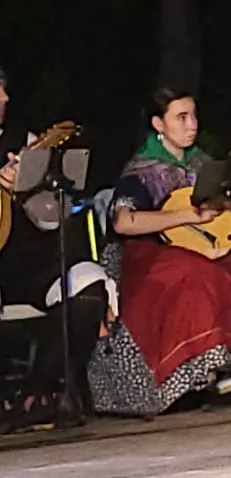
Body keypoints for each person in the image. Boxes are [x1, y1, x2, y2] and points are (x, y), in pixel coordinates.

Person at [88, 91, 231, 417]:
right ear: (159, 124)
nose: (191, 125)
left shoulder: (203, 163)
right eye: (181, 118)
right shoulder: (142, 169)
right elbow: (124, 221)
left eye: (194, 116)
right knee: (195, 277)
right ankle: (206, 373)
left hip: (208, 241)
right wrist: (186, 217)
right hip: (155, 248)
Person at [0, 66, 112, 430]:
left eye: (4, 88)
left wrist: (34, 186)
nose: (4, 98)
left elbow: (52, 218)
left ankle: (38, 393)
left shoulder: (26, 143)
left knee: (89, 288)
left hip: (31, 261)